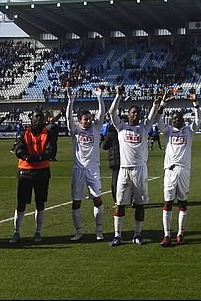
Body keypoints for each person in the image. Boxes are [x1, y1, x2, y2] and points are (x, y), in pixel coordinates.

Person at [107, 85, 164, 246]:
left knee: (140, 204)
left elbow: (152, 117)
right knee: (120, 203)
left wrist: (155, 104)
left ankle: (137, 234)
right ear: (128, 115)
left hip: (140, 170)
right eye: (133, 112)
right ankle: (117, 235)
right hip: (124, 170)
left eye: (138, 112)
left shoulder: (143, 128)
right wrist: (118, 95)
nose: (136, 114)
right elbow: (111, 113)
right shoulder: (121, 127)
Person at [10, 106, 59, 243]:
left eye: (40, 117)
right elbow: (18, 149)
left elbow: (51, 151)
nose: (38, 119)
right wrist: (26, 157)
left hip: (42, 171)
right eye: (36, 116)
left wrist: (36, 158)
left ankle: (38, 232)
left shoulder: (48, 133)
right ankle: (16, 232)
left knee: (40, 202)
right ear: (30, 118)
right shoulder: (24, 133)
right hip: (25, 171)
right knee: (21, 203)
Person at [160, 89, 200, 246]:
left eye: (179, 118)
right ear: (171, 121)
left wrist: (195, 103)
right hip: (170, 170)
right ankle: (167, 235)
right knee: (168, 202)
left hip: (184, 170)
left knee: (183, 202)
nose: (176, 120)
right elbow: (157, 120)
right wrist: (163, 103)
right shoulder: (168, 131)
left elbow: (198, 121)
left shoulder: (189, 131)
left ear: (183, 120)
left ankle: (180, 233)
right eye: (174, 118)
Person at [67, 84, 106, 241]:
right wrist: (70, 101)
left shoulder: (96, 128)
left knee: (98, 200)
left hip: (93, 169)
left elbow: (102, 113)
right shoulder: (75, 130)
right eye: (86, 119)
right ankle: (79, 231)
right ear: (79, 121)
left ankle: (99, 231)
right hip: (78, 170)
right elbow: (68, 117)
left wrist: (99, 97)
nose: (89, 121)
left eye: (90, 118)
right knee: (76, 202)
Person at [101, 116, 121, 212]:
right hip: (126, 159)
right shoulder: (123, 129)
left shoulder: (111, 131)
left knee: (115, 182)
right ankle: (132, 198)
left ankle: (117, 201)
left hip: (115, 160)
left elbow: (105, 146)